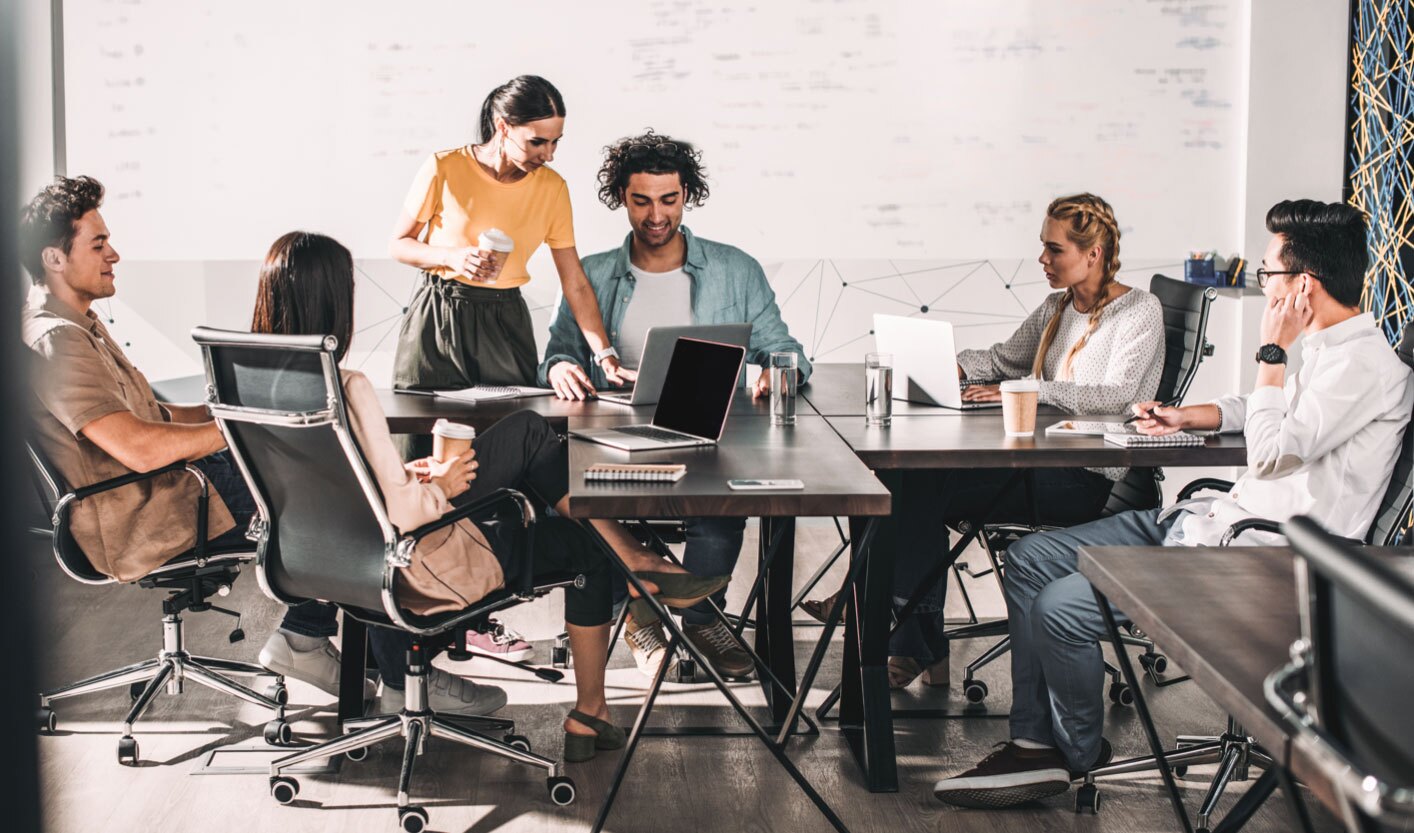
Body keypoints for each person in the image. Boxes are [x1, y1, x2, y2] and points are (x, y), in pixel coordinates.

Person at [932, 199, 1414, 809]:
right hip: (1209, 523)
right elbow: (1261, 409)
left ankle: (1068, 755)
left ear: (1302, 286)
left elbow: (1269, 453)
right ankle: (1036, 744)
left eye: (1269, 274)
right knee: (1030, 558)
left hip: (1257, 559)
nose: (1264, 286)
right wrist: (1193, 414)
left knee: (1059, 607)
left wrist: (1271, 351)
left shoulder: (1362, 366)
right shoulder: (1329, 352)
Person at [251, 231, 730, 758]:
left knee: (526, 436)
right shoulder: (347, 386)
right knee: (571, 521)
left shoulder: (254, 384)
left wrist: (413, 473)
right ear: (332, 302)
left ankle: (636, 568)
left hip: (317, 564)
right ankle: (602, 675)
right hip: (414, 561)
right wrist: (440, 486)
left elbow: (342, 487)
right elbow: (402, 512)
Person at [17, 175, 378, 705]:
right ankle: (334, 646)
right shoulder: (58, 340)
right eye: (98, 244)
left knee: (328, 482)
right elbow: (138, 447)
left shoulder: (79, 325)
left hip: (159, 488)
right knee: (340, 503)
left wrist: (236, 409)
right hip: (143, 510)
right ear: (54, 258)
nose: (113, 254)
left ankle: (314, 635)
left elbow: (155, 414)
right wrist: (242, 430)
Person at [803, 193, 1164, 689]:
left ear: (1093, 253)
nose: (1042, 260)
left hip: (1082, 476)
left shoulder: (1139, 311)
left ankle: (887, 622)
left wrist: (1027, 389)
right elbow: (1003, 359)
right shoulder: (1056, 308)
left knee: (919, 486)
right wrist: (953, 366)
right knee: (905, 476)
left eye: (1054, 250)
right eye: (1043, 247)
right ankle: (901, 631)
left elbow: (1118, 395)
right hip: (1037, 462)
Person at [537, 130, 811, 680]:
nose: (656, 215)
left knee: (720, 506)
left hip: (707, 434)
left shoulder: (735, 268)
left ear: (687, 195)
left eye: (669, 200)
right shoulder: (591, 273)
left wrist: (777, 374)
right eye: (641, 201)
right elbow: (557, 354)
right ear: (621, 197)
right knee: (590, 501)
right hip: (611, 434)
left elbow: (785, 350)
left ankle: (699, 615)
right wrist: (560, 368)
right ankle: (642, 614)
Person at [389, 74, 631, 458]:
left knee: (505, 445)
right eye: (538, 141)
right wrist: (452, 257)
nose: (548, 154)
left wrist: (605, 355)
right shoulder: (443, 168)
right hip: (437, 317)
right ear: (503, 127)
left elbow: (576, 283)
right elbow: (399, 245)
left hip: (505, 321)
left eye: (555, 142)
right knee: (419, 443)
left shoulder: (552, 189)